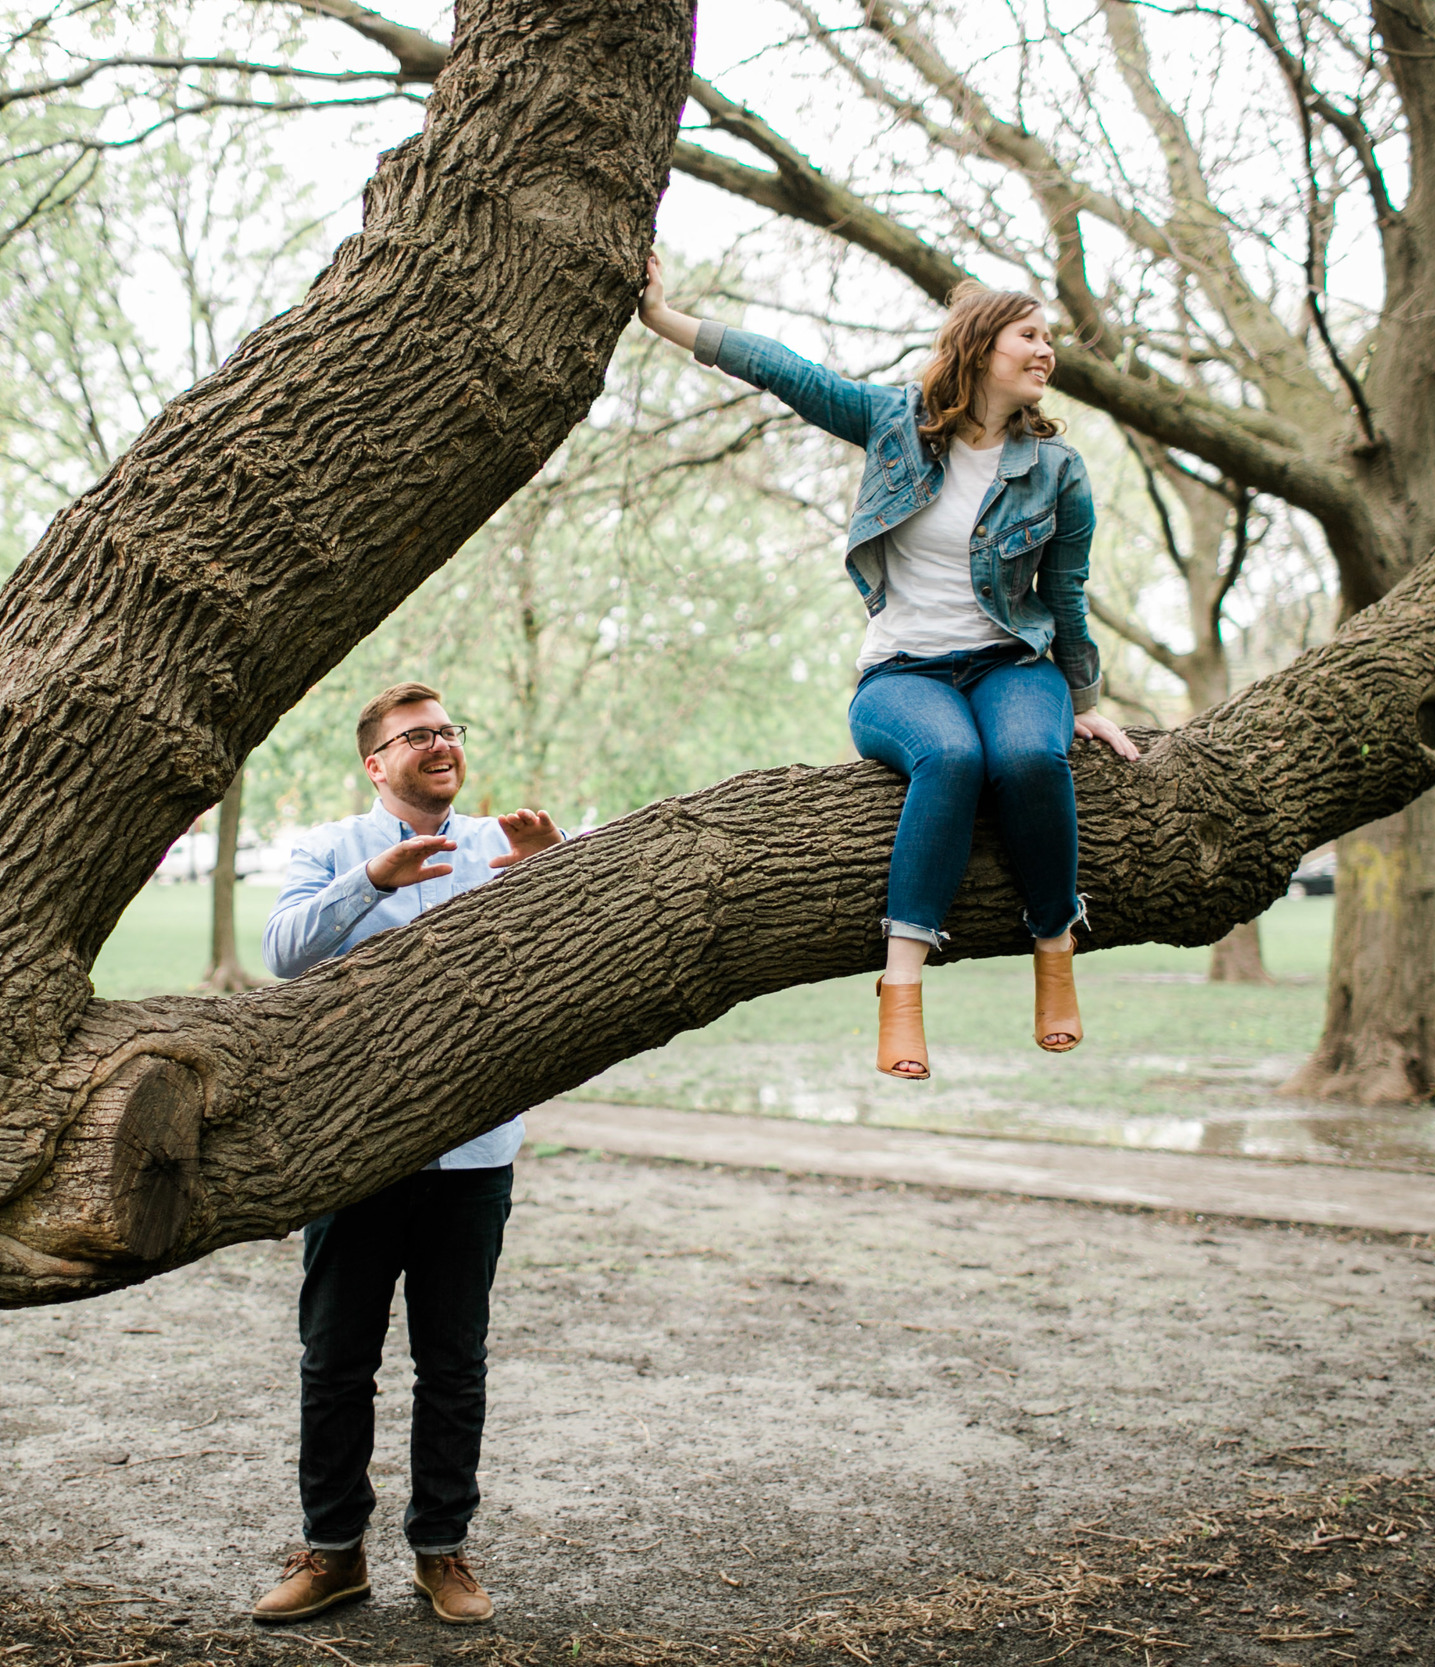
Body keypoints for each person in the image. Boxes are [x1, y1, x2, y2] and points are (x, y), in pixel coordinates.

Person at [636, 255, 1140, 1078]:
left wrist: (1083, 697)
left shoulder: (1057, 470)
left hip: (1013, 665)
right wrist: (664, 317)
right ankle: (901, 987)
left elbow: (1067, 591)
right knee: (952, 758)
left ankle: (1054, 944)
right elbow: (784, 370)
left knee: (1027, 756)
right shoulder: (893, 423)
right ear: (981, 349)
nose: (1047, 351)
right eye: (1030, 335)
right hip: (902, 674)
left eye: (1051, 339)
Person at [249, 681, 560, 1628]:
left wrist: (550, 879)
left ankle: (443, 1551)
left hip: (473, 1152)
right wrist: (373, 882)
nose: (439, 744)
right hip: (352, 1148)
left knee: (453, 1361)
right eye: (414, 735)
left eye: (447, 731)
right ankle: (333, 1553)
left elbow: (555, 970)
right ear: (375, 762)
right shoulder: (329, 850)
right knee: (335, 1360)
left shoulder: (498, 846)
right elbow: (283, 954)